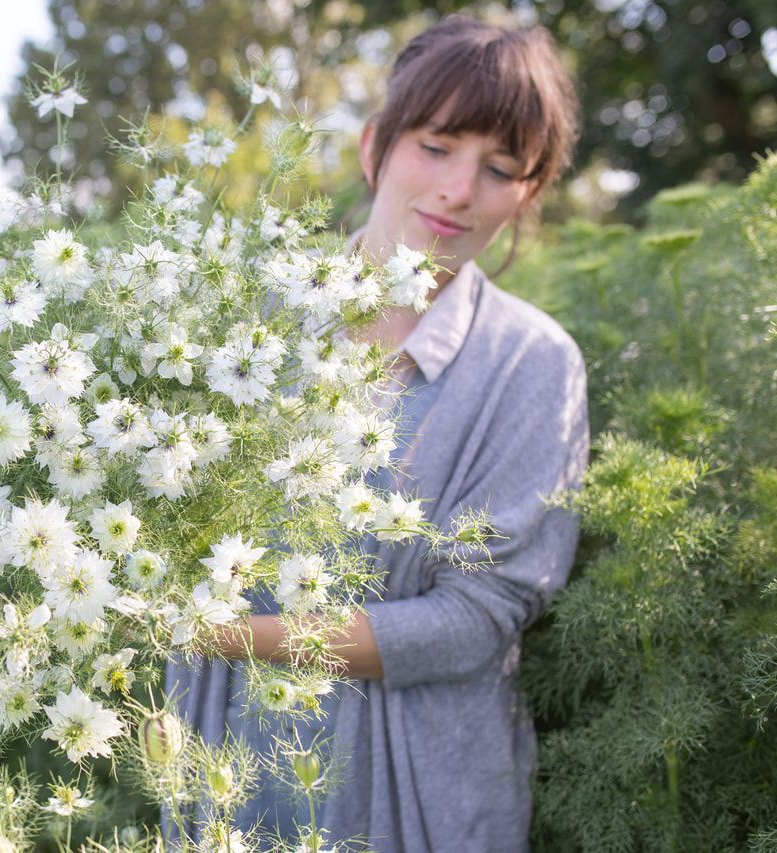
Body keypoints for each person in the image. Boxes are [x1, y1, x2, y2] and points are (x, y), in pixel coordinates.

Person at [167, 16, 589, 853]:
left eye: (500, 168)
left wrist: (224, 635)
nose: (460, 189)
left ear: (526, 197)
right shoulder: (243, 315)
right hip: (229, 772)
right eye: (436, 145)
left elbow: (472, 621)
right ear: (374, 148)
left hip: (414, 796)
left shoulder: (533, 364)